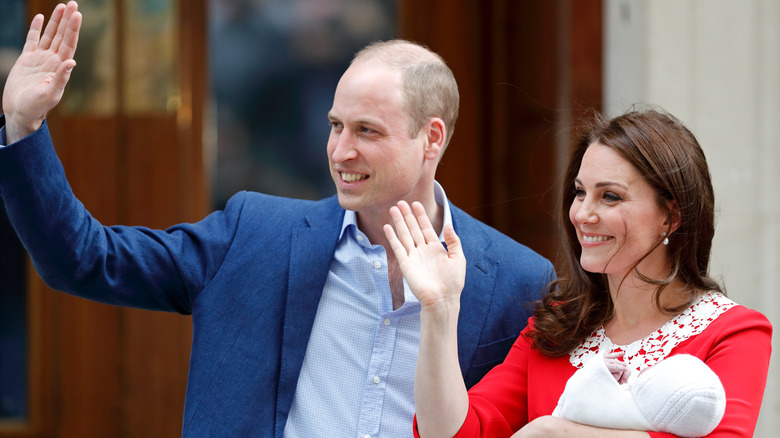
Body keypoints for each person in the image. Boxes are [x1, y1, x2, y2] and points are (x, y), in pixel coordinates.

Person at [0, 2, 554, 437]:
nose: (340, 151)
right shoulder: (254, 235)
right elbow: (83, 259)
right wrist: (24, 125)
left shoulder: (515, 280)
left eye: (367, 131)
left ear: (431, 138)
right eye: (336, 126)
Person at [384, 109, 772, 437]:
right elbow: (457, 431)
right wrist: (439, 307)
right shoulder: (556, 324)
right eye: (580, 191)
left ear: (670, 217)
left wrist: (558, 432)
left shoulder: (735, 332)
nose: (582, 214)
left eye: (610, 196)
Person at [553, 352, 726, 437]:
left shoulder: (622, 412)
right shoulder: (657, 423)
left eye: (656, 371)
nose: (648, 367)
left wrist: (598, 370)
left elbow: (574, 400)